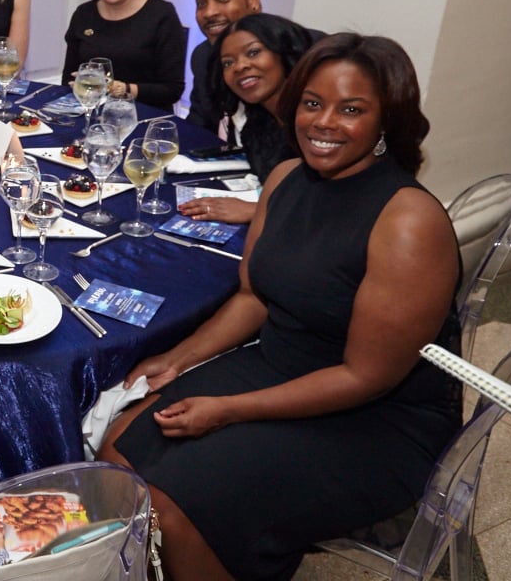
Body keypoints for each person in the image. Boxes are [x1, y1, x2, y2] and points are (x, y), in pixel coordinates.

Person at [99, 34, 462, 581]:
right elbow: (254, 297)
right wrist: (178, 358)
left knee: (176, 506)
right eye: (313, 104)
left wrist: (227, 410)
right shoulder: (286, 177)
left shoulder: (408, 221)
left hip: (374, 418)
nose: (324, 123)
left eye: (352, 110)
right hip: (281, 361)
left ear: (387, 120)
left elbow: (365, 377)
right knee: (119, 450)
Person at [177, 13, 313, 224]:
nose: (240, 67)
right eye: (228, 63)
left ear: (284, 53)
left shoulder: (316, 122)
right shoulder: (256, 125)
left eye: (253, 52)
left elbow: (337, 204)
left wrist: (257, 210)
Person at [186, 0, 262, 132]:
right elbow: (197, 125)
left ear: (253, 0)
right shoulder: (203, 56)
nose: (209, 12)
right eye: (201, 3)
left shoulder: (295, 51)